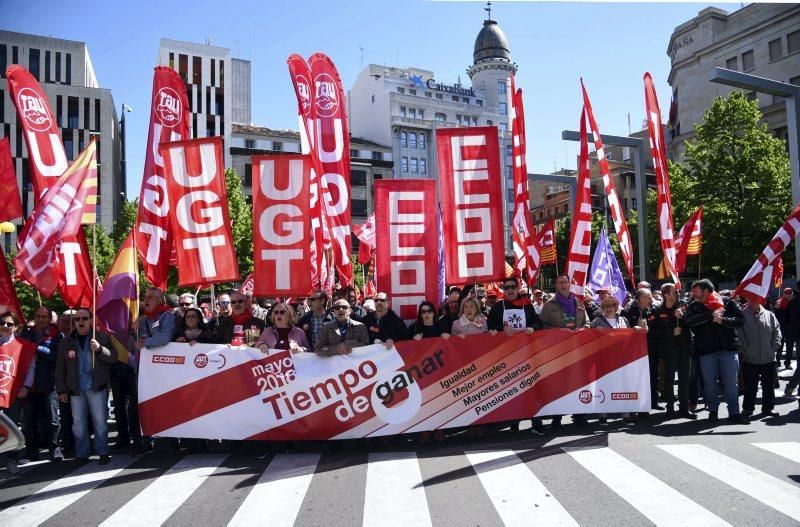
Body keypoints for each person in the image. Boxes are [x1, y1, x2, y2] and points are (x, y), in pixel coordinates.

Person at [55, 309, 118, 464]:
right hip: (76, 389)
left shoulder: (101, 337)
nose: (80, 321)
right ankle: (82, 454)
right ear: (74, 322)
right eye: (77, 319)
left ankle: (103, 452)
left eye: (84, 318)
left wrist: (100, 349)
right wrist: (61, 389)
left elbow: (113, 357)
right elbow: (60, 367)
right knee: (78, 423)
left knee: (100, 421)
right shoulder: (67, 341)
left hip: (97, 387)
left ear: (91, 320)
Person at [684, 279, 748, 424]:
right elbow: (688, 321)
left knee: (731, 383)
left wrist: (723, 320)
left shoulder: (726, 302)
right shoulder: (694, 306)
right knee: (709, 383)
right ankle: (713, 411)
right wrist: (711, 314)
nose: (693, 294)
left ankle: (734, 413)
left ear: (706, 291)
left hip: (728, 349)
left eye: (696, 291)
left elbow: (740, 320)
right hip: (706, 351)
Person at [19, 306, 62, 462]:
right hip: (29, 385)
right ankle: (32, 449)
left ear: (50, 319)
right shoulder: (27, 334)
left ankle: (55, 448)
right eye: (38, 316)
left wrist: (36, 348)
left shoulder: (57, 335)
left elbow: (56, 356)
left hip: (49, 383)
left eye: (44, 317)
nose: (40, 319)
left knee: (52, 419)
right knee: (29, 420)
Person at [650, 283, 696, 420]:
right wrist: (671, 332)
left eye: (677, 292)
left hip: (685, 348)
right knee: (669, 379)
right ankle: (670, 407)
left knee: (684, 379)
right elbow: (654, 331)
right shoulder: (657, 310)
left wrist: (683, 317)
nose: (677, 294)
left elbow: (693, 323)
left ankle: (684, 408)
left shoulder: (684, 306)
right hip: (669, 351)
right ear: (666, 295)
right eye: (674, 292)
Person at [0, 311, 37, 475]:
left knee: (12, 427)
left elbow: (30, 369)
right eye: (2, 324)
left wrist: (26, 387)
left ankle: (12, 459)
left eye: (9, 324)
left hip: (13, 393)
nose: (5, 326)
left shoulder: (25, 347)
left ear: (16, 327)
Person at [590, 296, 636, 425]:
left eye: (612, 305)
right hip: (604, 359)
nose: (609, 308)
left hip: (622, 359)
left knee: (623, 387)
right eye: (606, 306)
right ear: (602, 308)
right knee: (604, 386)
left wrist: (638, 329)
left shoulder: (624, 320)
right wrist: (594, 332)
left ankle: (625, 415)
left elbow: (630, 337)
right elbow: (587, 337)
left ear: (616, 307)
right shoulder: (597, 321)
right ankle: (603, 415)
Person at [738, 297, 781, 418]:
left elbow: (777, 330)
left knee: (769, 385)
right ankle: (748, 408)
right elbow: (739, 332)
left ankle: (768, 408)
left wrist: (775, 346)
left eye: (755, 299)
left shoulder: (769, 314)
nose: (752, 301)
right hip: (750, 358)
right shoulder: (742, 314)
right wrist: (745, 348)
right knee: (750, 386)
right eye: (750, 299)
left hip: (769, 357)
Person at [622, 288, 661, 412]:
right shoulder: (627, 311)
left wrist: (649, 330)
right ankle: (635, 405)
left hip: (650, 349)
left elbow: (659, 330)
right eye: (647, 297)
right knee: (636, 379)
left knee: (653, 375)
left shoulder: (653, 311)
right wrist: (634, 328)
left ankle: (653, 401)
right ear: (639, 299)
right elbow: (622, 332)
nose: (650, 299)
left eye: (650, 297)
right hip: (633, 352)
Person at [775, 288, 795, 370]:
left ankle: (787, 363)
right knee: (780, 345)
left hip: (791, 327)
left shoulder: (794, 302)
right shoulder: (779, 302)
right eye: (786, 292)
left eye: (790, 292)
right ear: (783, 294)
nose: (788, 294)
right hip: (781, 327)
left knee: (790, 346)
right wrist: (776, 308)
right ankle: (778, 362)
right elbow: (775, 316)